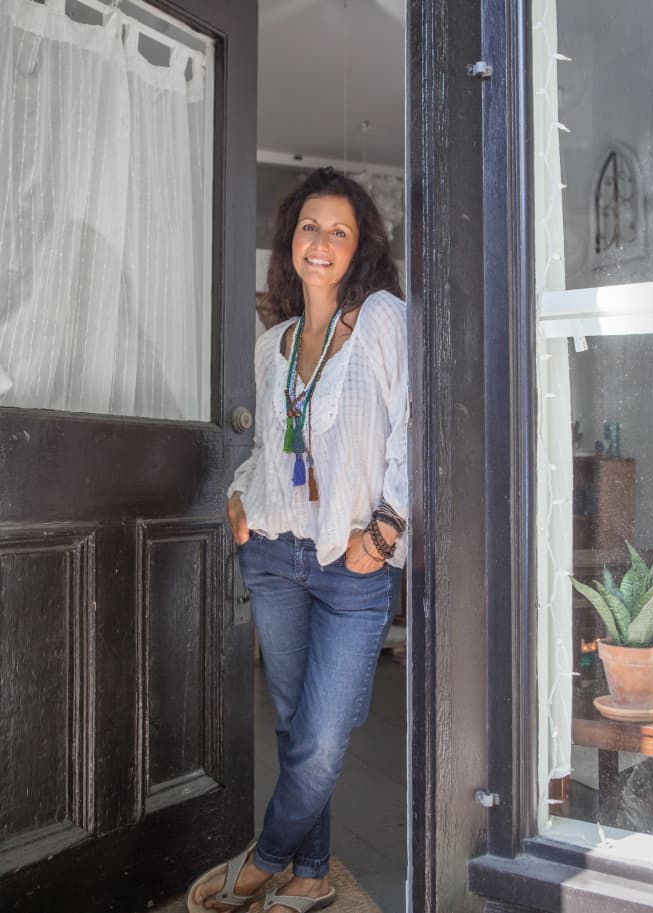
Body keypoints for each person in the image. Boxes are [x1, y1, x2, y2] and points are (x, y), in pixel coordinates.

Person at [187, 167, 407, 913]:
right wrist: (239, 499)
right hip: (276, 554)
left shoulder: (380, 318)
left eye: (338, 230)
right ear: (291, 240)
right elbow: (270, 454)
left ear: (359, 246)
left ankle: (266, 856)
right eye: (310, 227)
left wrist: (387, 530)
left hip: (353, 562)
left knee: (320, 734)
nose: (321, 242)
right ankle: (310, 877)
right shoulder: (272, 342)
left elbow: (417, 427)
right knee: (291, 723)